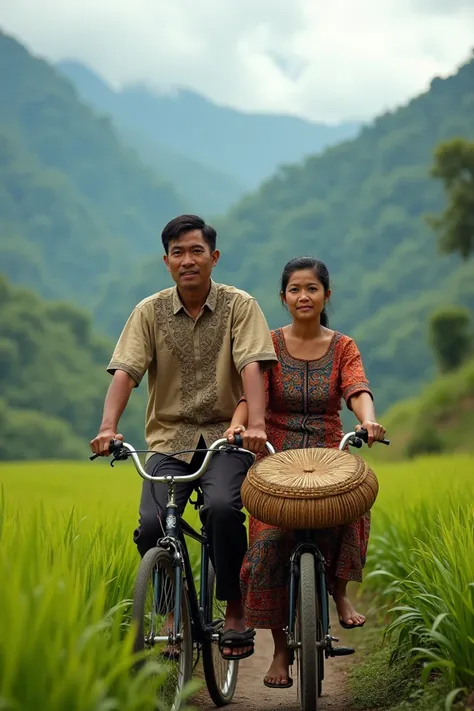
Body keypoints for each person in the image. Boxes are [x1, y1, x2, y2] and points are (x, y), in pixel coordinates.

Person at [90, 214, 278, 660]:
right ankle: (172, 612)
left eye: (196, 251)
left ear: (213, 258)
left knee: (221, 509)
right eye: (178, 253)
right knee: (153, 527)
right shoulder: (148, 311)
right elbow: (126, 371)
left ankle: (233, 607)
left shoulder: (240, 305)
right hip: (169, 440)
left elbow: (253, 364)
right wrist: (107, 428)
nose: (187, 260)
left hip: (225, 438)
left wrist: (255, 426)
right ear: (166, 261)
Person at [225, 256, 386, 688]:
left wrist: (368, 420)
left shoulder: (344, 345)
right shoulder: (269, 344)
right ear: (283, 297)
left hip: (328, 449)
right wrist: (240, 424)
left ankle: (338, 593)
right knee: (269, 540)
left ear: (326, 295)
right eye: (295, 289)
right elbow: (250, 391)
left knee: (351, 505)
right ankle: (279, 651)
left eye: (312, 288)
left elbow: (357, 387)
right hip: (275, 453)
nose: (303, 296)